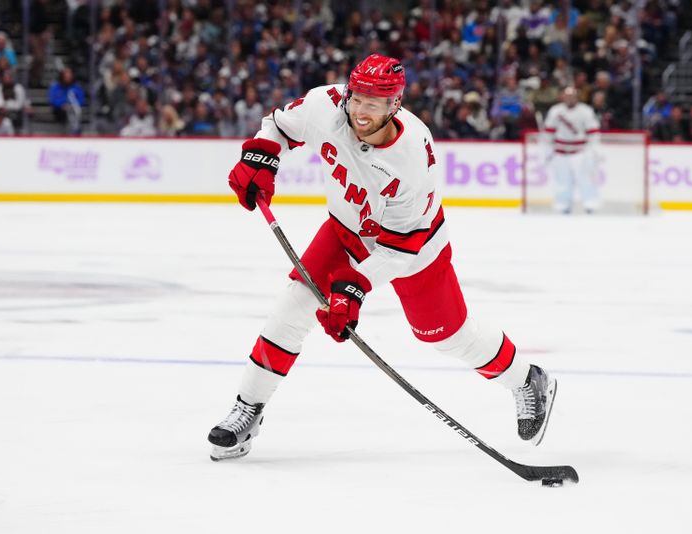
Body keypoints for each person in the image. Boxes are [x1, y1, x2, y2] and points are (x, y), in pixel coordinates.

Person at [207, 54, 558, 461]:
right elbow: (280, 126)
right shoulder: (326, 104)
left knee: (446, 335)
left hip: (413, 248)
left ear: (395, 105)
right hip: (344, 230)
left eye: (374, 103)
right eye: (357, 98)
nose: (360, 110)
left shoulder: (413, 153)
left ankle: (526, 379)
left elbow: (401, 246)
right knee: (293, 306)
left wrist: (354, 288)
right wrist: (260, 158)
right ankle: (248, 408)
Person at [543, 86, 601, 214]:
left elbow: (593, 133)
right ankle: (563, 204)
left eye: (572, 96)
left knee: (585, 179)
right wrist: (547, 150)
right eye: (567, 96)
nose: (570, 99)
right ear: (562, 97)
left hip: (579, 152)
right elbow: (548, 133)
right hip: (560, 152)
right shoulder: (555, 111)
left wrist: (594, 151)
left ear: (577, 97)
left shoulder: (585, 111)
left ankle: (589, 203)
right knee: (562, 180)